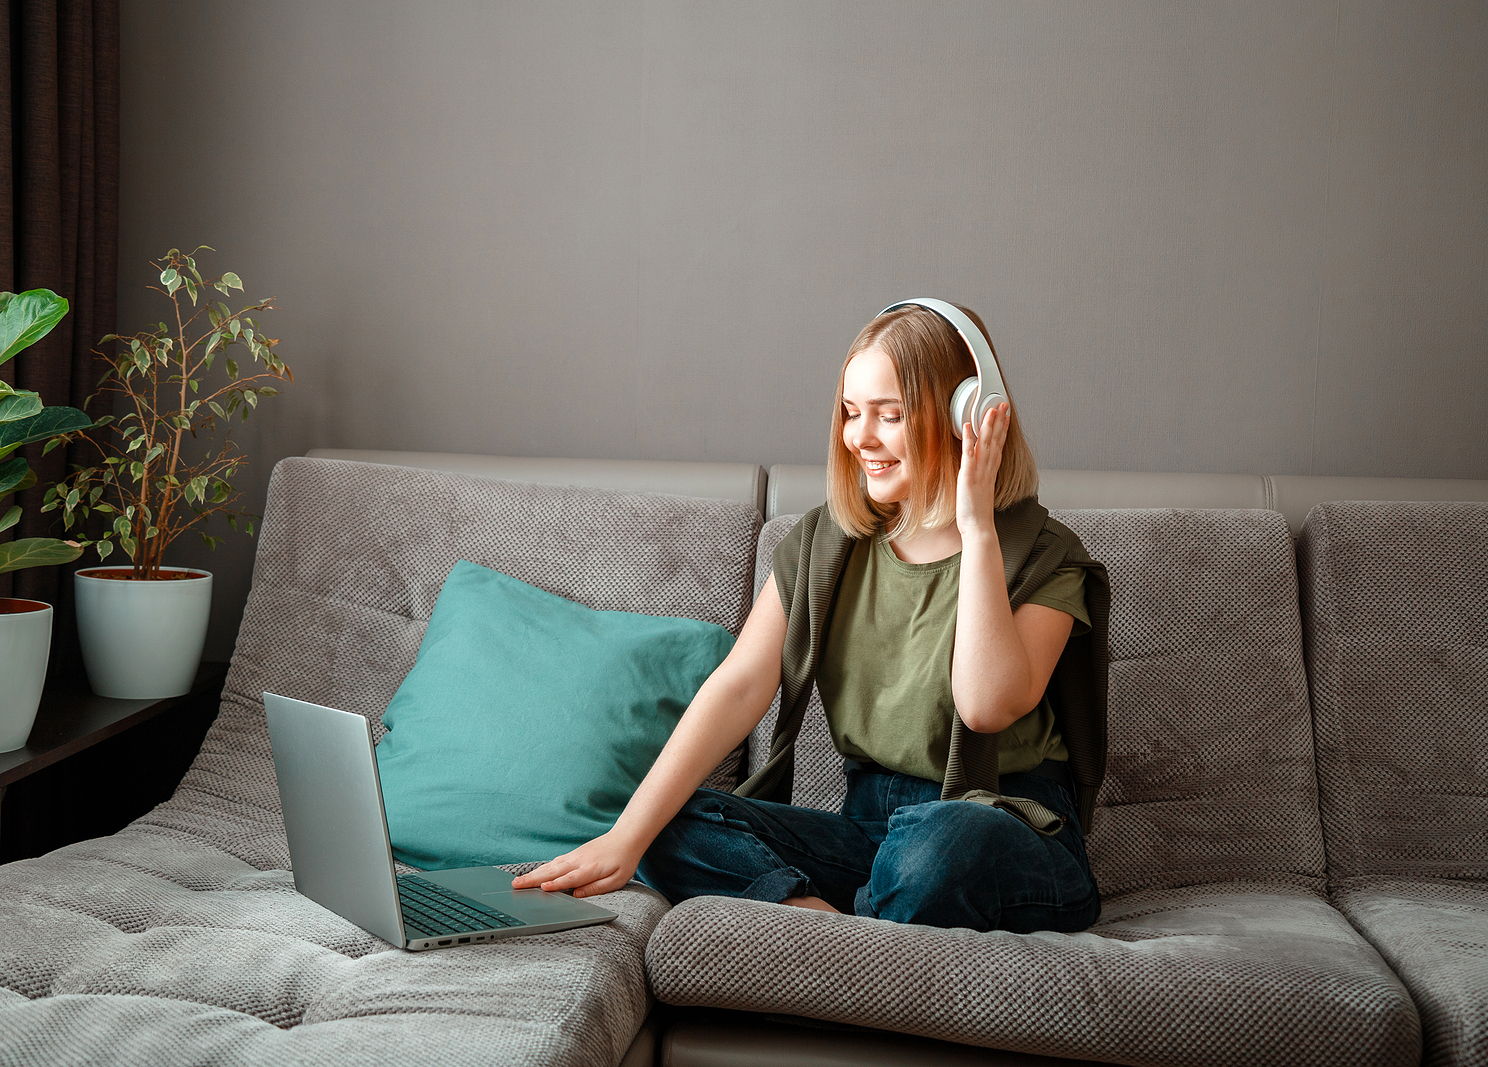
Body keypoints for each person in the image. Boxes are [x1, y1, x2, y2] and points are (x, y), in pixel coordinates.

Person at [513, 300, 1107, 934]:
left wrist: (977, 529)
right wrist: (624, 838)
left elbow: (986, 705)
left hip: (999, 831)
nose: (861, 438)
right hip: (870, 832)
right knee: (669, 821)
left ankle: (847, 943)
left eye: (891, 415)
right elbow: (740, 685)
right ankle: (836, 935)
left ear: (968, 415)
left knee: (944, 839)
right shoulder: (826, 543)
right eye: (852, 413)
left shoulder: (1044, 556)